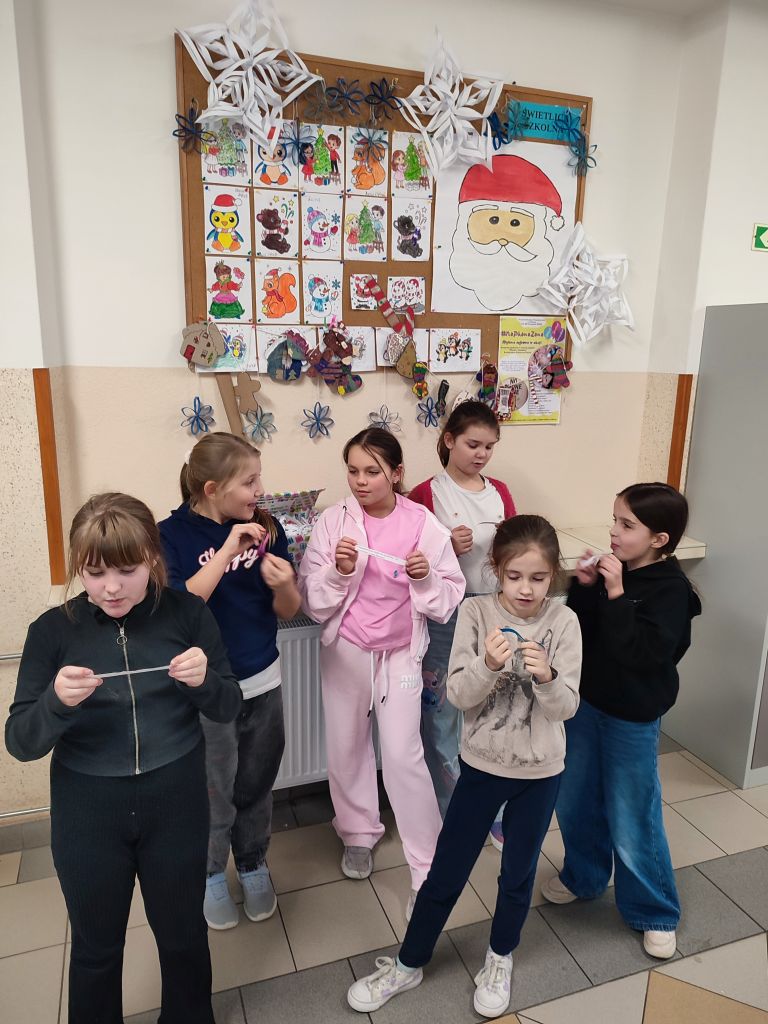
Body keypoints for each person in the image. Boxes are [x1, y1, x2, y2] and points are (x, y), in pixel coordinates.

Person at [5, 493, 241, 1024]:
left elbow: (228, 706)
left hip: (176, 801)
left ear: (152, 558)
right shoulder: (51, 632)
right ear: (79, 568)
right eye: (94, 573)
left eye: (127, 570)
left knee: (183, 937)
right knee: (96, 948)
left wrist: (205, 682)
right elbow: (21, 741)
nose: (111, 587)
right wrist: (55, 703)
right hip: (88, 811)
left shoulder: (188, 613)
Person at [347, 515, 581, 1018]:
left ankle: (500, 958)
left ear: (554, 574)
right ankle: (409, 963)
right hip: (481, 768)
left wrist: (547, 677)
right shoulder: (475, 612)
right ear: (495, 568)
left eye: (538, 578)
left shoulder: (564, 623)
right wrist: (489, 665)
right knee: (447, 870)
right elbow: (457, 694)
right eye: (514, 576)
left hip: (541, 772)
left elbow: (567, 708)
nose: (526, 588)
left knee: (518, 873)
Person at [298, 427, 465, 917]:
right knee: (346, 745)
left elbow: (448, 597)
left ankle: (427, 867)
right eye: (353, 471)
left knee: (402, 754)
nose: (360, 481)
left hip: (401, 658)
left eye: (372, 471)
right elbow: (311, 599)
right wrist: (337, 573)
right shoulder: (334, 522)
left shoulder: (423, 524)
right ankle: (357, 833)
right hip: (347, 650)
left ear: (396, 473)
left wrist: (426, 579)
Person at [541, 482, 701, 961]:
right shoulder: (617, 572)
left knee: (633, 813)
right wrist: (586, 586)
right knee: (574, 799)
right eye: (614, 519)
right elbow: (581, 635)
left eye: (627, 525)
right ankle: (584, 877)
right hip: (586, 705)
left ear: (659, 539)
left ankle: (654, 910)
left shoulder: (670, 591)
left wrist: (614, 593)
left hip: (632, 717)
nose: (613, 531)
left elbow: (643, 656)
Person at [158, 433, 301, 930]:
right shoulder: (170, 536)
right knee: (212, 790)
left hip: (263, 680)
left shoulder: (267, 527)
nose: (260, 491)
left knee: (256, 783)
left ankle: (254, 862)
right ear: (212, 489)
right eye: (249, 482)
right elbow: (180, 607)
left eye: (260, 479)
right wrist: (226, 551)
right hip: (206, 691)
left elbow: (288, 610)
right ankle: (210, 873)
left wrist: (285, 585)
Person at [408, 400, 515, 822]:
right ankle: (452, 811)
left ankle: (495, 807)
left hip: (494, 612)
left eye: (489, 446)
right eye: (473, 444)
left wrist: (508, 545)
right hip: (446, 617)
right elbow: (409, 560)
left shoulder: (499, 492)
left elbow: (519, 552)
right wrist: (444, 547)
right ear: (449, 440)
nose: (482, 454)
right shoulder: (426, 494)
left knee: (493, 708)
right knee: (441, 713)